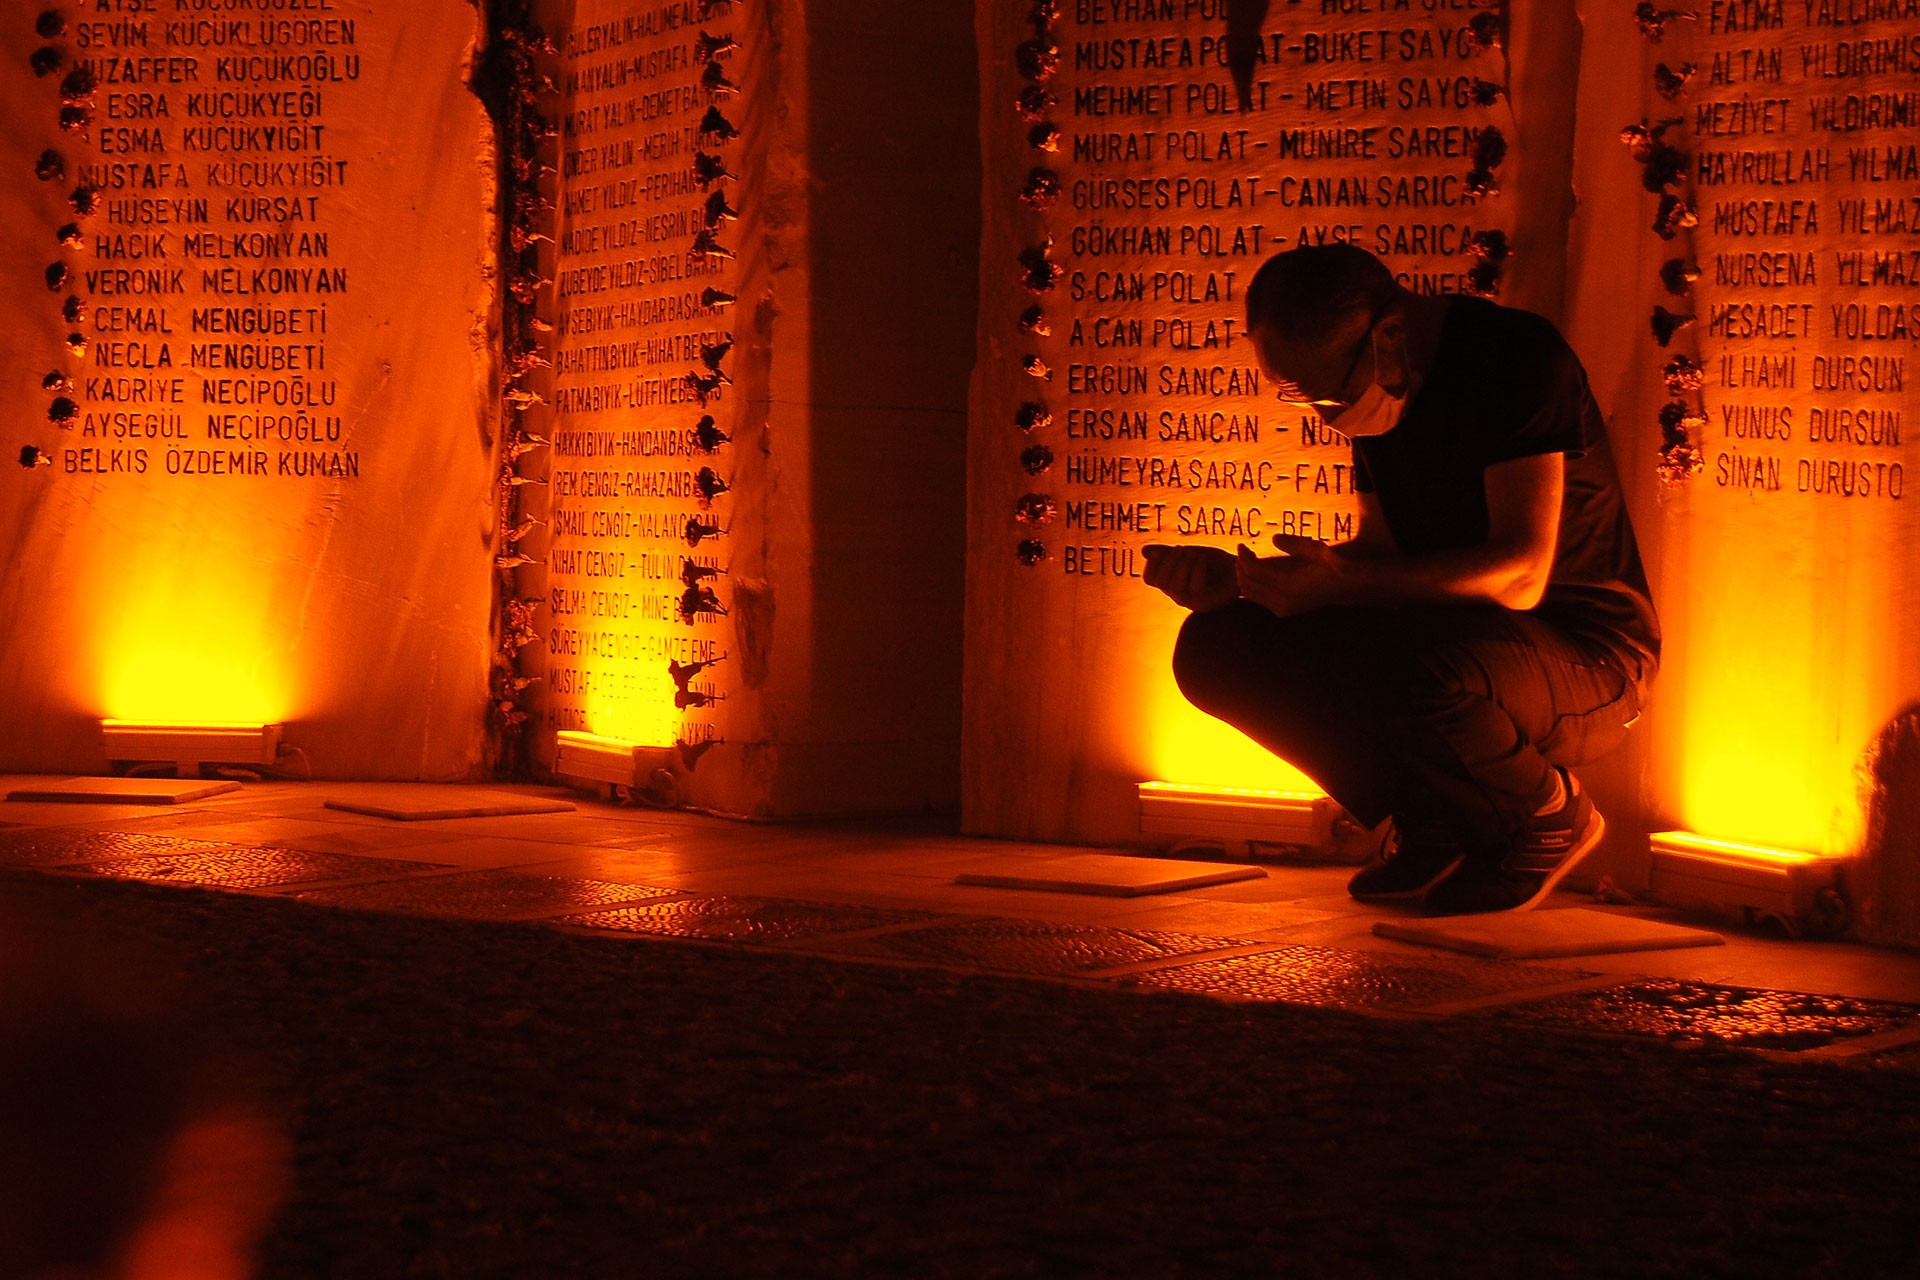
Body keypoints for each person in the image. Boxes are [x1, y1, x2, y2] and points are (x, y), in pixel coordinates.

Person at [1143, 244, 1658, 915]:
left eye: (1324, 392)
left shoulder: (1516, 358)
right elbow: (1381, 560)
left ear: (1387, 334)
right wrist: (1254, 587)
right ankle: (1436, 818)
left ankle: (1547, 815)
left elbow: (1522, 573)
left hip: (1587, 657)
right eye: (1297, 394)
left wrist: (1340, 588)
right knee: (1221, 649)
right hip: (1457, 640)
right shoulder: (1381, 387)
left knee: (1415, 667)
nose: (1325, 415)